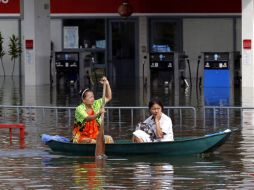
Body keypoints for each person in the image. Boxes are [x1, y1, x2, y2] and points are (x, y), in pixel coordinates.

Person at [72, 76, 113, 144]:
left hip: (95, 135)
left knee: (109, 139)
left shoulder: (96, 104)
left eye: (93, 97)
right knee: (92, 142)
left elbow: (108, 97)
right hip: (80, 137)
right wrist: (99, 113)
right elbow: (87, 118)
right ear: (84, 100)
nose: (93, 99)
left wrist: (107, 84)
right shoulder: (79, 109)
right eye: (90, 97)